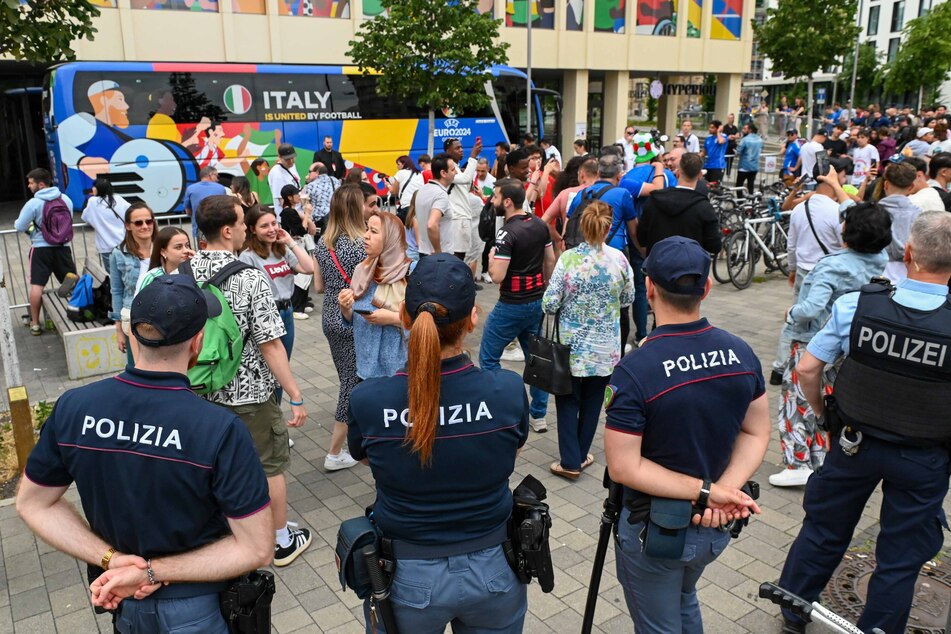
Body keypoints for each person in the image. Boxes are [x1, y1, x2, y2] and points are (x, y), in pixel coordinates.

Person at [16, 275, 273, 633]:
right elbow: (258, 548)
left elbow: (32, 503)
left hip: (125, 605)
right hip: (198, 608)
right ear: (197, 343)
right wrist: (150, 571)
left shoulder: (75, 407)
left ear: (133, 334)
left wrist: (113, 560)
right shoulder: (219, 430)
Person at [778, 210, 951, 634]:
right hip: (924, 457)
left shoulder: (860, 304)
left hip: (853, 444)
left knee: (823, 531)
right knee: (901, 555)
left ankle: (794, 610)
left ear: (908, 254)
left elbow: (807, 369)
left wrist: (822, 417)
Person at [347, 253, 529, 634]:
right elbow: (512, 449)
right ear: (473, 318)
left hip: (407, 577)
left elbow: (368, 459)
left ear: (404, 317)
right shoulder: (508, 392)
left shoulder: (369, 400)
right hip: (495, 566)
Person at [605, 236, 770, 634]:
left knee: (658, 623)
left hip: (656, 533)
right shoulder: (741, 352)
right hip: (714, 530)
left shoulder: (635, 370)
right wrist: (723, 489)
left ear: (649, 289)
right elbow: (757, 430)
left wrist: (711, 492)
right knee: (684, 597)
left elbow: (623, 467)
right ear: (706, 289)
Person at [189, 194, 311, 567]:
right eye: (242, 222)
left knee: (214, 464)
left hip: (199, 391)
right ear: (227, 231)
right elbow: (271, 345)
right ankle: (280, 540)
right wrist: (294, 394)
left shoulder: (180, 273)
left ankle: (225, 530)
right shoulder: (248, 278)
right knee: (269, 465)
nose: (245, 227)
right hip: (252, 394)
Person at [770, 203, 891, 487]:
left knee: (796, 401)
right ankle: (821, 458)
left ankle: (796, 462)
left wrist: (791, 313)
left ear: (849, 231)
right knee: (828, 402)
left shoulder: (832, 266)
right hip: (848, 345)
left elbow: (811, 308)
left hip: (812, 341)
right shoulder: (879, 259)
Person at [542, 201, 634, 479]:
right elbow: (628, 298)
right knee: (594, 401)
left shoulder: (568, 258)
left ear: (582, 226)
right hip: (605, 347)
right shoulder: (619, 259)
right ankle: (581, 455)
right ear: (608, 228)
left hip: (571, 347)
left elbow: (549, 303)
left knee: (568, 400)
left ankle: (570, 461)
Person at [480, 178, 555, 432]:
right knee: (537, 360)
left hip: (510, 305)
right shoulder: (539, 225)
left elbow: (498, 275)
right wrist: (543, 289)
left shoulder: (506, 233)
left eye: (496, 197)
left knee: (488, 358)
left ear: (508, 202)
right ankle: (539, 415)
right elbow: (550, 261)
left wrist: (491, 259)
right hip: (536, 302)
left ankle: (497, 409)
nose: (492, 200)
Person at [768, 156, 848, 385]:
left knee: (795, 316)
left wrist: (791, 269)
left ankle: (779, 366)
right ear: (836, 177)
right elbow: (844, 246)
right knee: (825, 321)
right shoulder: (837, 211)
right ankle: (814, 366)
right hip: (828, 274)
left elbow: (791, 244)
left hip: (803, 269)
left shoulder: (801, 207)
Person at [313, 185, 366, 472]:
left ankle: (356, 436)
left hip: (330, 317)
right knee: (351, 384)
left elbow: (319, 287)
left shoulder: (323, 244)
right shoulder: (362, 245)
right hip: (354, 317)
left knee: (347, 377)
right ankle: (334, 452)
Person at [240, 204, 315, 404]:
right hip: (266, 316)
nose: (272, 229)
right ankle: (271, 420)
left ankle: (277, 419)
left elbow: (309, 268)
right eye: (264, 226)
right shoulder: (248, 257)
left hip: (287, 313)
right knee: (271, 370)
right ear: (252, 229)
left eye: (274, 223)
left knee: (282, 371)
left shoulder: (281, 249)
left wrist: (290, 241)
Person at [338, 211, 410, 379]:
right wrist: (345, 307)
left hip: (401, 369)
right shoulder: (362, 270)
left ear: (391, 239)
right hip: (366, 367)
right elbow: (354, 319)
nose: (366, 236)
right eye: (367, 229)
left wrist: (393, 318)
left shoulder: (410, 273)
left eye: (374, 231)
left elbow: (424, 321)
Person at [15, 168, 77, 336]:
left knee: (37, 286)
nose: (29, 186)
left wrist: (33, 229)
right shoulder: (65, 199)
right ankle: (78, 312)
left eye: (31, 183)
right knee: (73, 283)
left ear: (40, 184)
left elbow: (20, 226)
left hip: (41, 249)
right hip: (63, 248)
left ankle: (35, 323)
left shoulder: (33, 203)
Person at [637, 152, 721, 256]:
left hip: (658, 264)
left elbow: (641, 237)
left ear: (677, 173)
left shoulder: (654, 200)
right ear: (699, 176)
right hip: (690, 267)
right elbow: (714, 246)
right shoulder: (704, 208)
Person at [109, 202, 156, 366]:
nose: (145, 226)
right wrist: (119, 330)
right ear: (128, 226)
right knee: (137, 366)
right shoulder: (118, 253)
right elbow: (116, 291)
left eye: (148, 221)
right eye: (138, 223)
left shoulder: (164, 248)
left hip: (162, 314)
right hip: (134, 317)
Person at [277, 184, 318, 319]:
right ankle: (297, 307)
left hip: (298, 244)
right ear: (290, 197)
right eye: (297, 195)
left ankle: (302, 303)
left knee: (305, 276)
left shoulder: (292, 211)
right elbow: (301, 230)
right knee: (301, 277)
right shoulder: (288, 212)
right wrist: (307, 214)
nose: (299, 197)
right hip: (295, 245)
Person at [82, 177, 131, 269]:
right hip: (123, 243)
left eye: (94, 187)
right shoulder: (118, 198)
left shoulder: (93, 201)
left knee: (113, 276)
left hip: (106, 246)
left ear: (97, 188)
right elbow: (131, 211)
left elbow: (85, 217)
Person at [413, 154, 457, 256]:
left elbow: (416, 219)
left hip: (424, 252)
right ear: (443, 173)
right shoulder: (441, 194)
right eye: (453, 169)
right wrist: (438, 252)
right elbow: (432, 225)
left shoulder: (422, 190)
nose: (456, 172)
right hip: (440, 256)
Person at [136, 226, 195, 292]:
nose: (186, 250)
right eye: (178, 247)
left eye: (187, 245)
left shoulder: (196, 272)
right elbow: (139, 302)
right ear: (163, 252)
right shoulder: (151, 278)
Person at [183, 166, 227, 241]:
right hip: (218, 227)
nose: (217, 179)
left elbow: (188, 211)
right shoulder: (221, 188)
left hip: (199, 228)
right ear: (210, 175)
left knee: (202, 251)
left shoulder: (190, 189)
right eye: (217, 176)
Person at [302, 162, 339, 227]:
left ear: (317, 172)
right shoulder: (335, 181)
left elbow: (303, 203)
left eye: (310, 171)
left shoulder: (311, 186)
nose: (308, 174)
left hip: (318, 221)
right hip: (335, 218)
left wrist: (306, 183)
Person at [268, 143, 301, 211]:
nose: (291, 161)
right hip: (289, 215)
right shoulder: (276, 174)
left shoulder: (291, 166)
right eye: (287, 159)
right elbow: (282, 202)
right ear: (279, 157)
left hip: (298, 211)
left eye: (292, 158)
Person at [735, 123, 764, 194]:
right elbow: (762, 149)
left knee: (739, 185)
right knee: (751, 185)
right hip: (754, 166)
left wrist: (735, 151)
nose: (743, 130)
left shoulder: (745, 140)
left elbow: (738, 151)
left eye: (745, 129)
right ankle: (751, 201)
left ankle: (740, 202)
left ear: (750, 130)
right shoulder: (760, 140)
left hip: (744, 166)